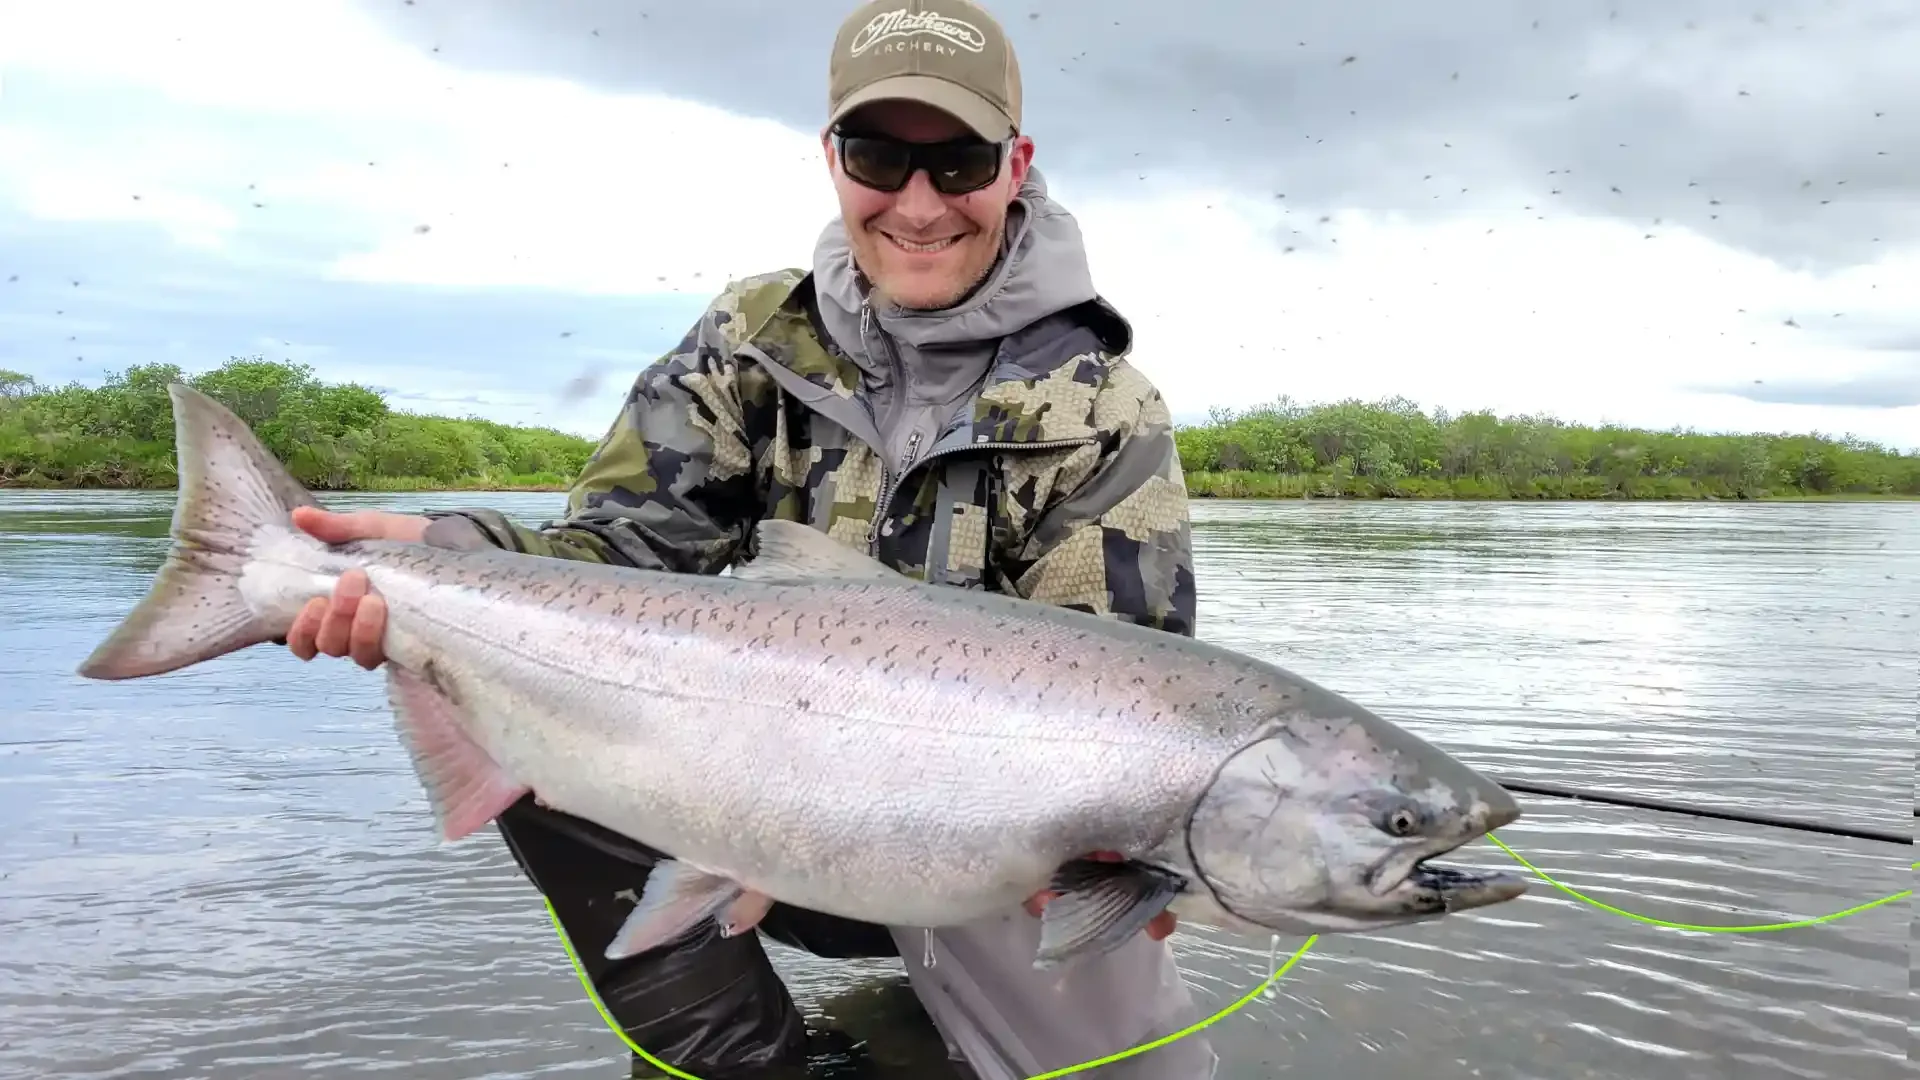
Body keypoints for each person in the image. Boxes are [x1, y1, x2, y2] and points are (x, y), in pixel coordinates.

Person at [284, 1, 1215, 1076]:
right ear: (831, 159)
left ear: (1017, 163)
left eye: (957, 162)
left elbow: (1128, 700)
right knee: (543, 697)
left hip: (987, 852)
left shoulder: (1104, 409)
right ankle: (746, 1061)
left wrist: (1138, 860)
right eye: (879, 157)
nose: (918, 204)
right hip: (736, 798)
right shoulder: (749, 341)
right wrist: (448, 553)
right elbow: (620, 562)